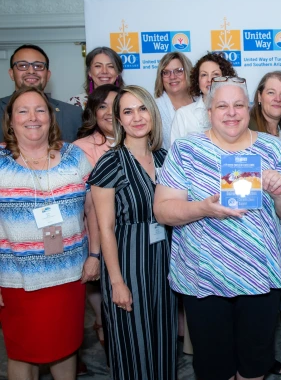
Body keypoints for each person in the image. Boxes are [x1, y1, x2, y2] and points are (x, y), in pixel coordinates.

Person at [154, 76, 281, 380]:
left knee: (253, 366)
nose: (231, 112)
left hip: (259, 278)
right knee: (214, 369)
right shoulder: (186, 150)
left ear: (248, 109)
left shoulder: (273, 148)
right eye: (222, 105)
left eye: (238, 105)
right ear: (209, 112)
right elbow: (163, 210)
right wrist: (203, 208)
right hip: (203, 280)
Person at [0, 86, 98, 379]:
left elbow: (92, 210)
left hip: (69, 275)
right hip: (17, 280)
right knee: (22, 353)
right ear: (11, 119)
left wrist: (94, 255)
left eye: (40, 110)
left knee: (66, 348)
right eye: (23, 110)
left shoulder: (74, 157)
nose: (33, 117)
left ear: (50, 117)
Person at [89, 85, 177, 380]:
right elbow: (105, 228)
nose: (137, 117)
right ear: (119, 119)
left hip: (164, 262)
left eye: (142, 109)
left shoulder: (166, 159)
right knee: (133, 346)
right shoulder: (110, 163)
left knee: (164, 341)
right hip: (128, 263)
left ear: (152, 113)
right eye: (128, 111)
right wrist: (116, 282)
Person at [249, 71, 281, 375]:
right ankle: (256, 362)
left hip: (280, 225)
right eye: (271, 92)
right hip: (252, 230)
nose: (278, 99)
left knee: (268, 303)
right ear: (258, 96)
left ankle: (261, 359)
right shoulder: (244, 131)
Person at [73, 83, 119, 352]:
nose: (109, 112)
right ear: (93, 111)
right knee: (110, 301)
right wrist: (94, 254)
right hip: (98, 239)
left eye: (115, 105)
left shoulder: (142, 140)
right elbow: (87, 205)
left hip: (134, 239)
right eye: (102, 106)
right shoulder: (81, 148)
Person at [0, 44, 83, 143]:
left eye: (38, 66)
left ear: (48, 75)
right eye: (22, 65)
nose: (31, 71)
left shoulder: (73, 114)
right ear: (11, 74)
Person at [170, 52, 236, 142]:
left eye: (215, 74)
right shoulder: (183, 115)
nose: (209, 80)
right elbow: (175, 153)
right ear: (197, 80)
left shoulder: (235, 113)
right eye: (204, 75)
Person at [153, 52, 194, 149]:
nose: (172, 77)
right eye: (166, 72)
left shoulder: (202, 102)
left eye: (178, 71)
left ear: (188, 72)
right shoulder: (154, 108)